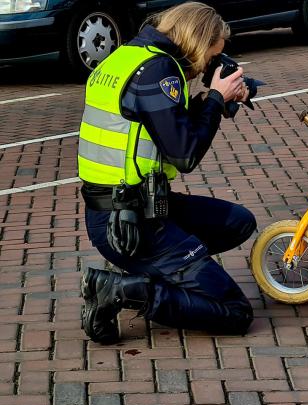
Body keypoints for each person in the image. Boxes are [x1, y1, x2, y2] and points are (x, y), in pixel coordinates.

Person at [78, 2, 258, 344]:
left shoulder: (129, 56)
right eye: (212, 55)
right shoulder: (159, 71)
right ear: (198, 41)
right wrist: (217, 100)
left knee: (238, 221)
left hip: (126, 210)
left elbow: (162, 126)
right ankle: (125, 291)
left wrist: (212, 101)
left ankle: (144, 272)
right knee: (236, 311)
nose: (208, 65)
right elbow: (185, 154)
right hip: (132, 225)